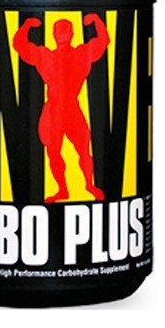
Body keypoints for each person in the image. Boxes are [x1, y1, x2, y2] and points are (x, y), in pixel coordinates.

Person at [13, 14, 109, 203]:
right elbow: (19, 45)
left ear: (72, 34)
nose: (62, 34)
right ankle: (62, 189)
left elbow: (103, 41)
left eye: (65, 31)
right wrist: (26, 25)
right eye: (59, 31)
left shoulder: (81, 54)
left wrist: (97, 20)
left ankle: (89, 185)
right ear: (54, 35)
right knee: (54, 152)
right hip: (54, 110)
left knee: (83, 150)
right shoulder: (46, 56)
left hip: (71, 108)